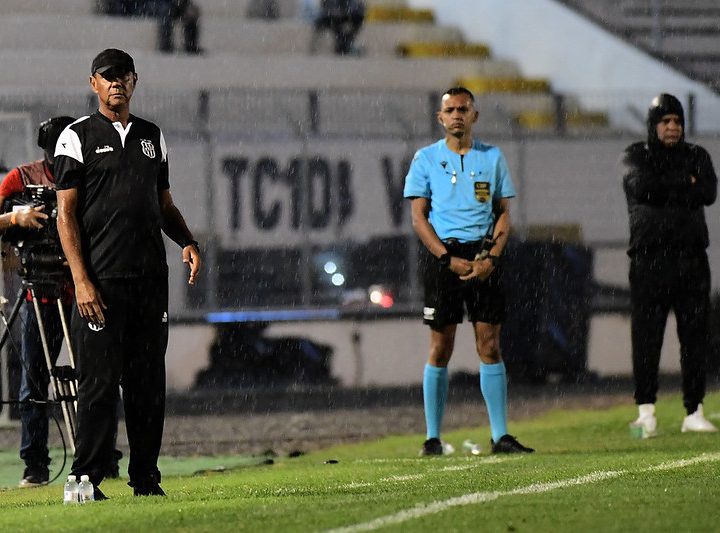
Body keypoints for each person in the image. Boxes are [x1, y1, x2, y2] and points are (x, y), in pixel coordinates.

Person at [54, 48, 201, 499]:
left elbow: (164, 205)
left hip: (149, 282)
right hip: (100, 283)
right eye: (108, 75)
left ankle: (145, 478)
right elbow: (66, 214)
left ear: (135, 81)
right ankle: (84, 479)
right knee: (98, 385)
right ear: (93, 83)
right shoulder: (75, 137)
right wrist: (80, 279)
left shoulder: (151, 136)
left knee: (146, 386)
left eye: (124, 75)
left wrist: (188, 240)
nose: (117, 82)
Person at [403, 87, 534, 456]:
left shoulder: (492, 158)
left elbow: (504, 212)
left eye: (463, 108)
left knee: (489, 345)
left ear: (474, 115)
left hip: (483, 256)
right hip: (444, 258)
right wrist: (446, 258)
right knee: (440, 346)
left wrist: (490, 259)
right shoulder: (425, 159)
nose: (457, 115)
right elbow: (418, 217)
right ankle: (432, 438)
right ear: (440, 118)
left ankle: (500, 436)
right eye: (450, 110)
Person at [622, 93, 718, 437]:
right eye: (666, 121)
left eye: (677, 121)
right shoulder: (636, 156)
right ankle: (645, 411)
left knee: (694, 337)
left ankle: (694, 410)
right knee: (647, 338)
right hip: (649, 260)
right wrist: (684, 183)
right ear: (653, 125)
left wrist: (670, 186)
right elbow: (643, 188)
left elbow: (708, 192)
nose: (673, 127)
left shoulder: (698, 155)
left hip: (691, 259)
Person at [0, 117, 73, 487]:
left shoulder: (89, 176)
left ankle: (99, 455)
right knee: (33, 379)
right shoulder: (21, 178)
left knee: (97, 376)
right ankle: (35, 464)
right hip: (39, 289)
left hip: (81, 288)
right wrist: (16, 216)